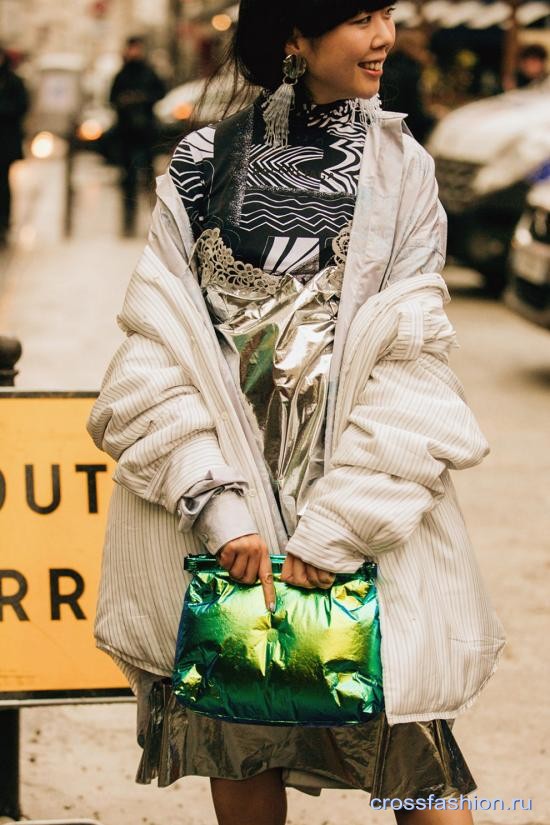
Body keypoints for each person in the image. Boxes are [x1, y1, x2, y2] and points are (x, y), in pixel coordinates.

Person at [88, 3, 507, 824]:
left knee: (416, 758)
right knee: (238, 737)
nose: (385, 36)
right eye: (359, 18)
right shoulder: (201, 162)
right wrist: (215, 503)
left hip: (360, 515)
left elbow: (412, 356)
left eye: (386, 14)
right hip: (229, 522)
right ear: (294, 38)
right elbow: (157, 348)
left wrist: (343, 523)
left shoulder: (400, 170)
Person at [109, 36, 165, 236]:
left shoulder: (148, 73)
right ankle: (128, 222)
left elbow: (160, 92)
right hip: (126, 134)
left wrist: (142, 99)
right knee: (128, 180)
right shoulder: (122, 75)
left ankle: (154, 222)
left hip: (145, 133)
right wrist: (126, 102)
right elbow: (112, 99)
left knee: (149, 179)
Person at [0, 46, 28, 246]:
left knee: (3, 183)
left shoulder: (13, 81)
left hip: (5, 141)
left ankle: (4, 223)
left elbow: (21, 106)